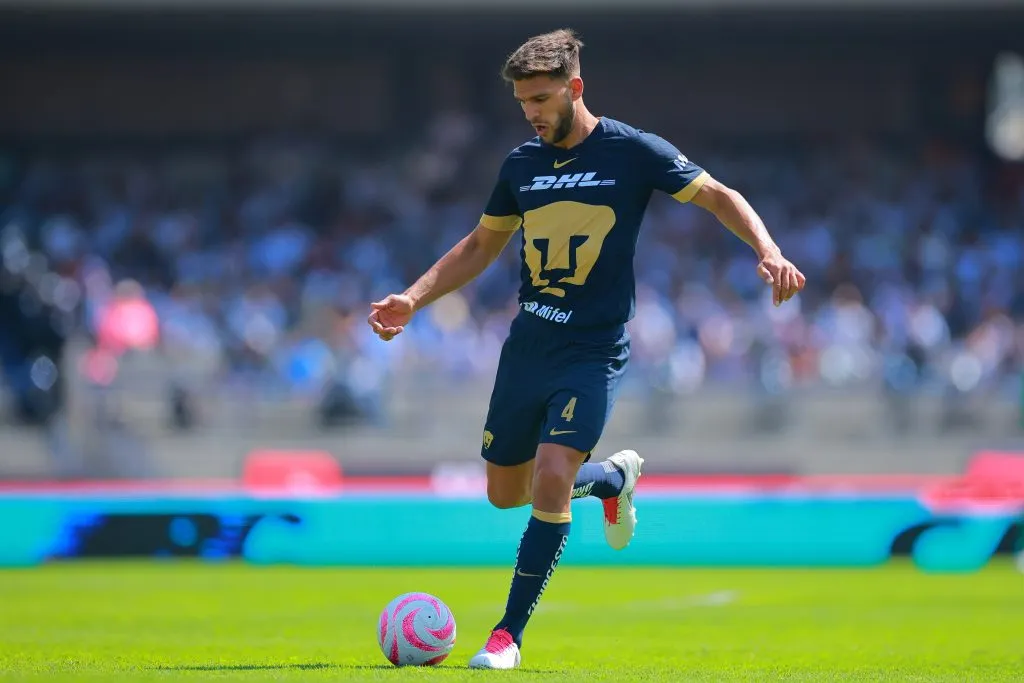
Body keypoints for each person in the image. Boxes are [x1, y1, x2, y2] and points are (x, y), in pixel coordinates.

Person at [367, 28, 806, 670]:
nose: (533, 113)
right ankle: (610, 480)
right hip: (529, 346)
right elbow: (480, 246)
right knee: (503, 492)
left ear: (576, 87)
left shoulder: (632, 151)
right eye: (524, 104)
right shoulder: (520, 164)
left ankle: (506, 637)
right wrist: (413, 298)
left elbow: (718, 195)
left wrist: (767, 250)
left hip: (592, 349)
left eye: (542, 99)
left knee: (548, 478)